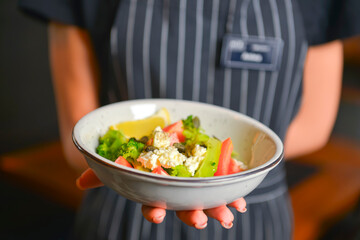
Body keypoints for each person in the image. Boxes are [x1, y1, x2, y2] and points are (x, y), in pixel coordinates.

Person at [18, 0, 360, 239]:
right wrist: (141, 168)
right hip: (122, 210)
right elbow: (78, 134)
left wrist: (222, 172)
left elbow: (314, 125)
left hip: (249, 212)